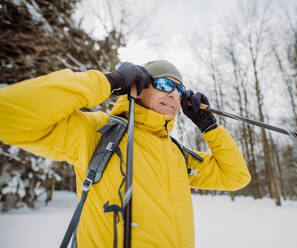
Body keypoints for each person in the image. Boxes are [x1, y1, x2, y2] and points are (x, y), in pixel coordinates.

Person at [0, 60, 251, 247]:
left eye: (181, 91)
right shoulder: (98, 131)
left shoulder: (176, 153)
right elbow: (6, 114)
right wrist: (109, 81)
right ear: (139, 88)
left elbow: (235, 176)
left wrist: (209, 127)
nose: (174, 94)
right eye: (164, 84)